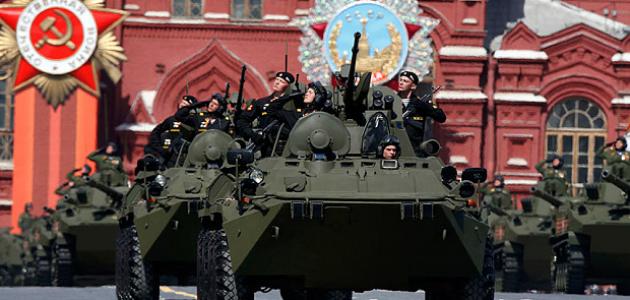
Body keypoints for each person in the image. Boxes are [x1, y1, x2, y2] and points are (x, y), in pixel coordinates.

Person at [235, 71, 296, 146]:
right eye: (277, 79)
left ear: (288, 86)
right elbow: (242, 120)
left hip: (284, 144)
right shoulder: (261, 102)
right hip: (263, 144)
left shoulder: (291, 103)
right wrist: (252, 134)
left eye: (282, 81)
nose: (277, 82)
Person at [397, 70, 446, 156]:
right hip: (394, 148)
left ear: (413, 86)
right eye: (400, 80)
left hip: (414, 150)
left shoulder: (420, 103)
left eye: (405, 81)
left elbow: (441, 117)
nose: (401, 83)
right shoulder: (392, 101)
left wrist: (425, 107)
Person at [144, 95, 199, 167]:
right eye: (182, 103)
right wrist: (160, 149)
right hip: (168, 159)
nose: (182, 106)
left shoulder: (194, 122)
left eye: (185, 105)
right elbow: (155, 133)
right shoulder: (171, 120)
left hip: (186, 160)